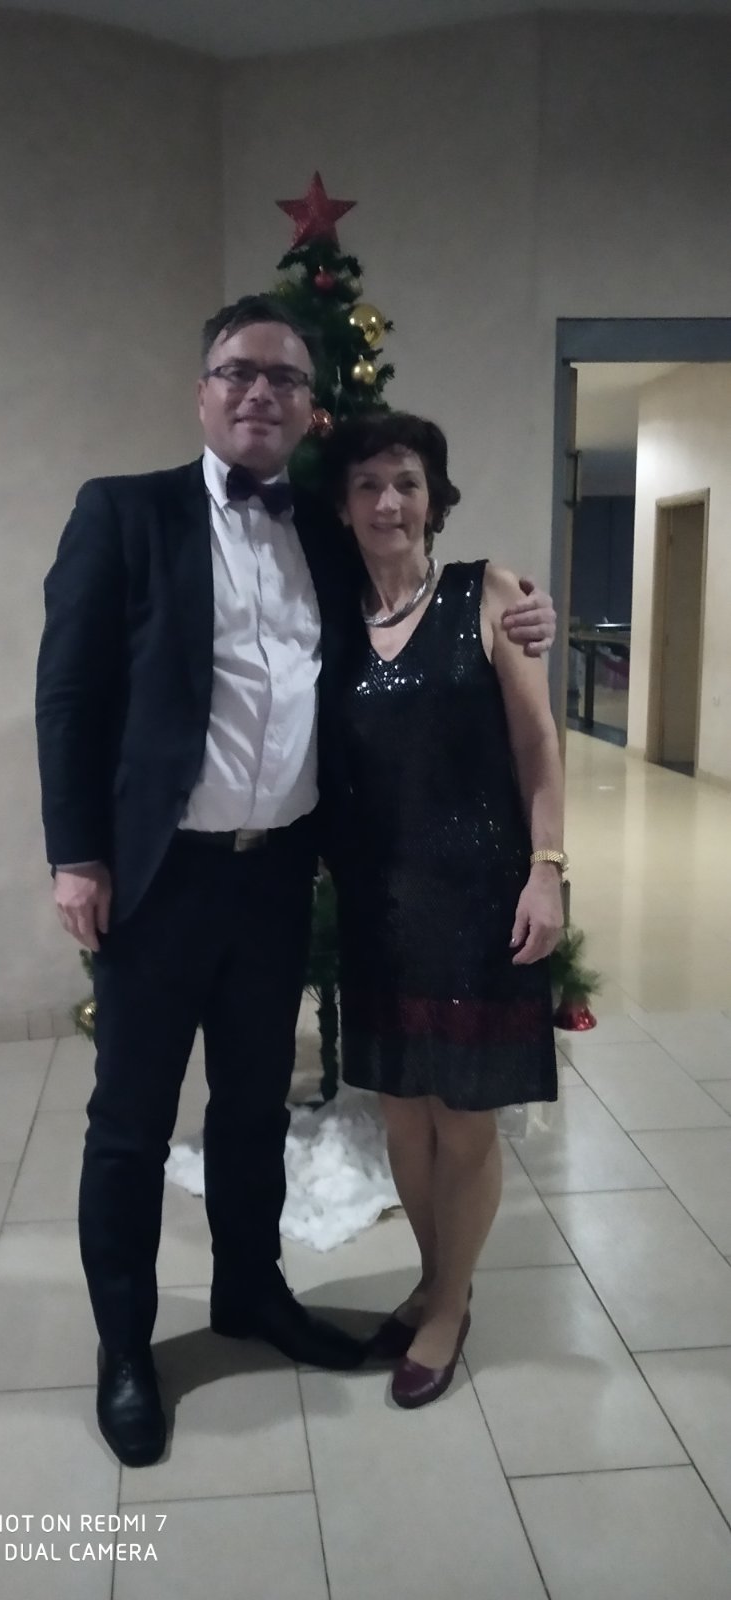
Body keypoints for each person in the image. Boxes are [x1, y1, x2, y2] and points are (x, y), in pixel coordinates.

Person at [34, 296, 557, 1467]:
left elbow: (420, 599)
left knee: (252, 1107)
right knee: (129, 1125)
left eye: (283, 377)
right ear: (204, 390)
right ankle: (125, 1346)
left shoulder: (323, 529)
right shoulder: (124, 514)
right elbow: (68, 695)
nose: (260, 391)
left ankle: (252, 1291)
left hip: (279, 882)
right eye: (239, 371)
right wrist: (76, 855)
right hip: (160, 883)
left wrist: (526, 609)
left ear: (309, 406)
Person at [320, 410, 564, 1409]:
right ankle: (433, 1278)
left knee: (463, 1120)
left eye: (408, 483)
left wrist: (547, 870)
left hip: (479, 899)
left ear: (435, 499)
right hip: (378, 905)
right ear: (344, 505)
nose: (389, 502)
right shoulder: (332, 617)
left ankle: (451, 1303)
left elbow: (537, 745)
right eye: (369, 484)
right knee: (401, 1115)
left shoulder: (488, 594)